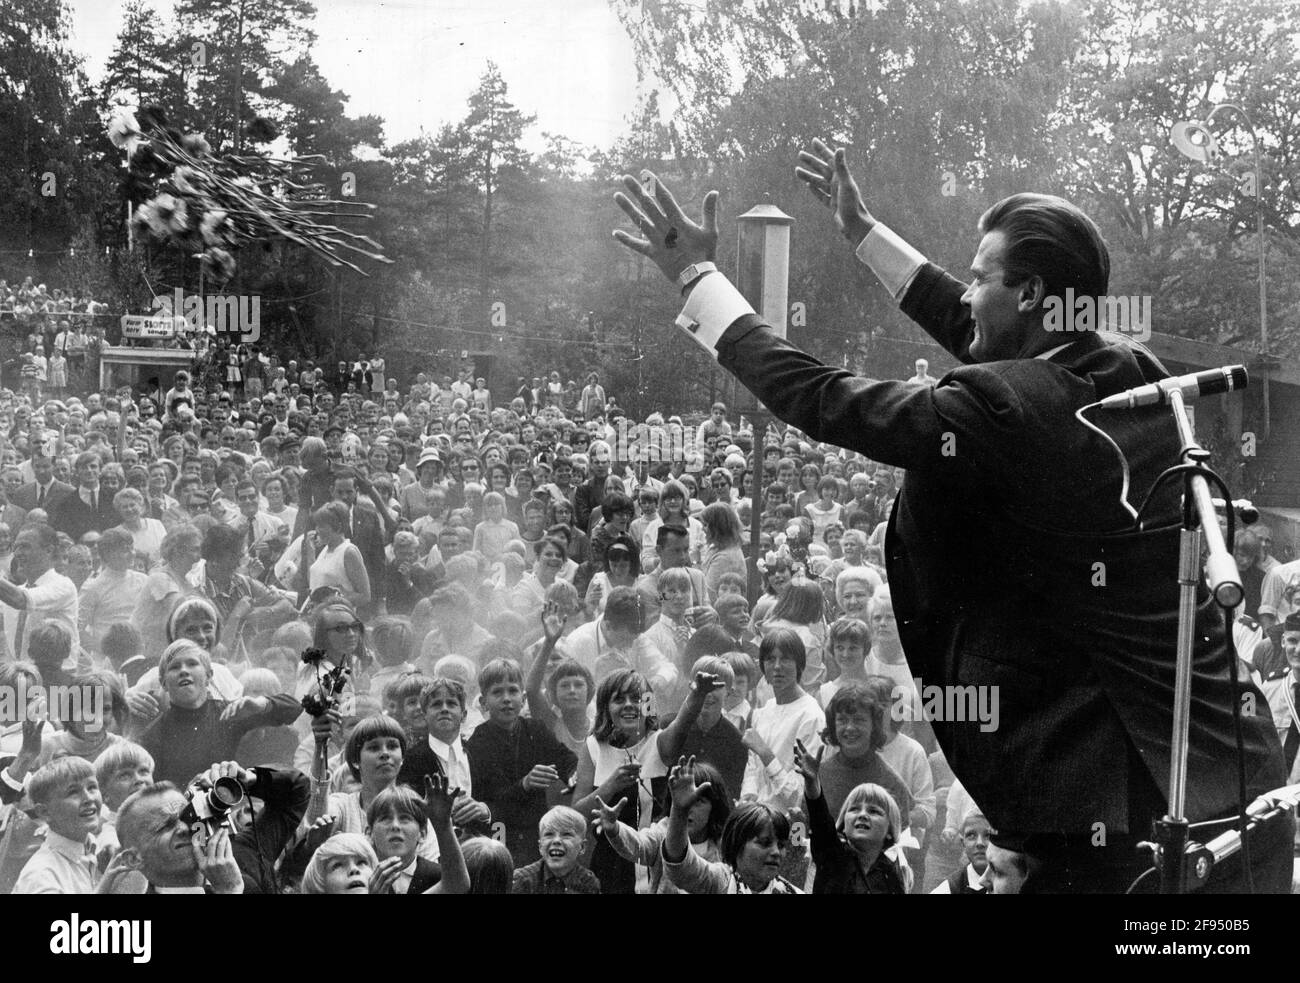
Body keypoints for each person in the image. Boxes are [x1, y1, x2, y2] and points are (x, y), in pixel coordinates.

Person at [610, 158, 1289, 890]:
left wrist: (698, 278)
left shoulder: (1004, 407)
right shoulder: (1129, 371)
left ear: (1030, 293)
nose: (964, 294)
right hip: (1234, 775)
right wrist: (864, 234)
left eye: (978, 276)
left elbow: (823, 398)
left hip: (1111, 810)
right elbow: (982, 330)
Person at [136, 639, 301, 787]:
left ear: (208, 676)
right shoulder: (152, 736)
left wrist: (261, 704)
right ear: (163, 683)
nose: (184, 671)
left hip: (233, 809)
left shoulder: (230, 713)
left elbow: (294, 709)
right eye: (174, 667)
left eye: (192, 664)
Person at [465, 657, 578, 866]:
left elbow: (567, 759)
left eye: (513, 691)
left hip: (537, 829)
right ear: (483, 702)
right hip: (500, 831)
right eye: (497, 692)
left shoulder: (535, 729)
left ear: (523, 698)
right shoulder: (477, 744)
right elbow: (493, 800)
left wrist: (573, 778)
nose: (506, 699)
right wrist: (525, 784)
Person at [659, 755, 803, 894]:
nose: (776, 852)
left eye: (781, 845)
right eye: (764, 843)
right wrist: (679, 810)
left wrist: (800, 825)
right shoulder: (721, 881)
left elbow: (798, 852)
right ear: (737, 845)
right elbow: (681, 867)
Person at [794, 739, 912, 894]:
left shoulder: (891, 875)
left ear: (890, 830)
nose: (862, 814)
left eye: (874, 811)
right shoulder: (834, 856)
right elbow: (821, 824)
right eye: (854, 809)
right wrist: (813, 784)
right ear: (843, 825)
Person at [12, 756, 108, 894]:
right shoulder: (42, 875)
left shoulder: (96, 848)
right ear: (45, 812)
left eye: (92, 787)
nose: (89, 798)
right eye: (73, 792)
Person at [510, 805, 602, 894]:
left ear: (582, 847)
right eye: (549, 834)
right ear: (540, 847)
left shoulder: (588, 882)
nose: (556, 840)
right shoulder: (522, 880)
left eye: (566, 834)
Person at [931, 810, 992, 894]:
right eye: (971, 835)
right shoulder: (949, 889)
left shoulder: (1013, 880)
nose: (980, 843)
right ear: (963, 842)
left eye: (988, 835)